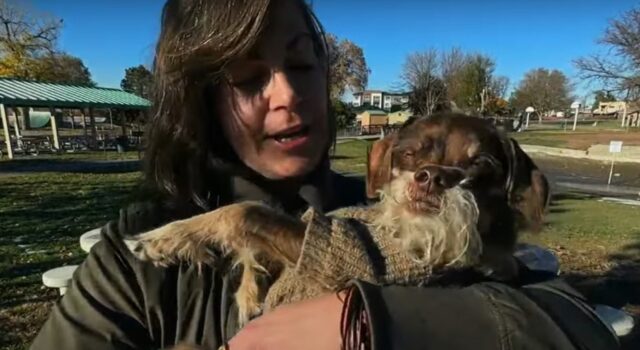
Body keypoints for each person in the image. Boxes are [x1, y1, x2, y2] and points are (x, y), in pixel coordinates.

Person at [31, 1, 620, 349]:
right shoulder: (135, 259)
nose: (287, 94)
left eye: (300, 63)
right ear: (200, 99)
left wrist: (374, 324)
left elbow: (579, 328)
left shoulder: (409, 226)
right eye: (247, 77)